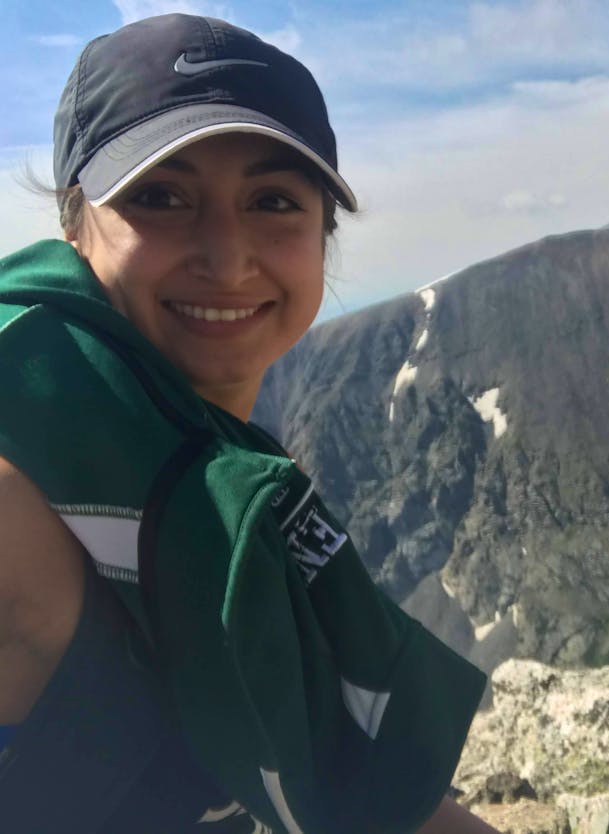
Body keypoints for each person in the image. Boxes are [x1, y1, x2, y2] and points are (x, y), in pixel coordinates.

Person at [0, 14, 500, 833]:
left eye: (273, 201)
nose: (227, 258)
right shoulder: (20, 502)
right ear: (72, 221)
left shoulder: (204, 471)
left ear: (322, 238)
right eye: (161, 196)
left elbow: (374, 797)